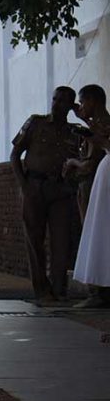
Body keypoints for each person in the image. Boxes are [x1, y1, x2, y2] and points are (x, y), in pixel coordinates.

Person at [10, 87, 82, 302]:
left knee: (61, 241)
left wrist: (82, 117)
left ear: (71, 105)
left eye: (63, 101)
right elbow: (15, 154)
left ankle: (58, 288)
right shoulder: (36, 123)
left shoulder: (75, 131)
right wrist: (23, 184)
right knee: (35, 239)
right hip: (34, 184)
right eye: (55, 99)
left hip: (60, 189)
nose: (56, 104)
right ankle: (42, 289)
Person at [69, 85, 110, 308]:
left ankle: (97, 292)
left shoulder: (103, 125)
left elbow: (103, 144)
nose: (81, 107)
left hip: (99, 178)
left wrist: (74, 163)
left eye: (83, 102)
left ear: (93, 100)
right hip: (97, 181)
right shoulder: (96, 125)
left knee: (97, 233)